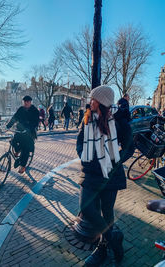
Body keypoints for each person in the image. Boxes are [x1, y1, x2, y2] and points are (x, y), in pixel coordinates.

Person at [76, 85, 134, 266]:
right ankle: (113, 237)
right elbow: (79, 142)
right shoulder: (87, 118)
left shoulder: (119, 122)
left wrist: (114, 162)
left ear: (101, 102)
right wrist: (84, 156)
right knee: (86, 207)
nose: (90, 101)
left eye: (93, 99)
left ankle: (103, 248)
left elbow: (130, 147)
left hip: (110, 175)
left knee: (107, 213)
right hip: (90, 173)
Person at [6, 96, 39, 174]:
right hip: (20, 130)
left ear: (30, 102)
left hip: (29, 133)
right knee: (13, 140)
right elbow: (15, 117)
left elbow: (35, 123)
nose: (26, 103)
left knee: (26, 148)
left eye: (27, 101)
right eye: (24, 101)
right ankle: (17, 150)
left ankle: (23, 166)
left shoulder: (35, 111)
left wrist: (29, 128)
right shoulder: (21, 109)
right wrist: (8, 126)